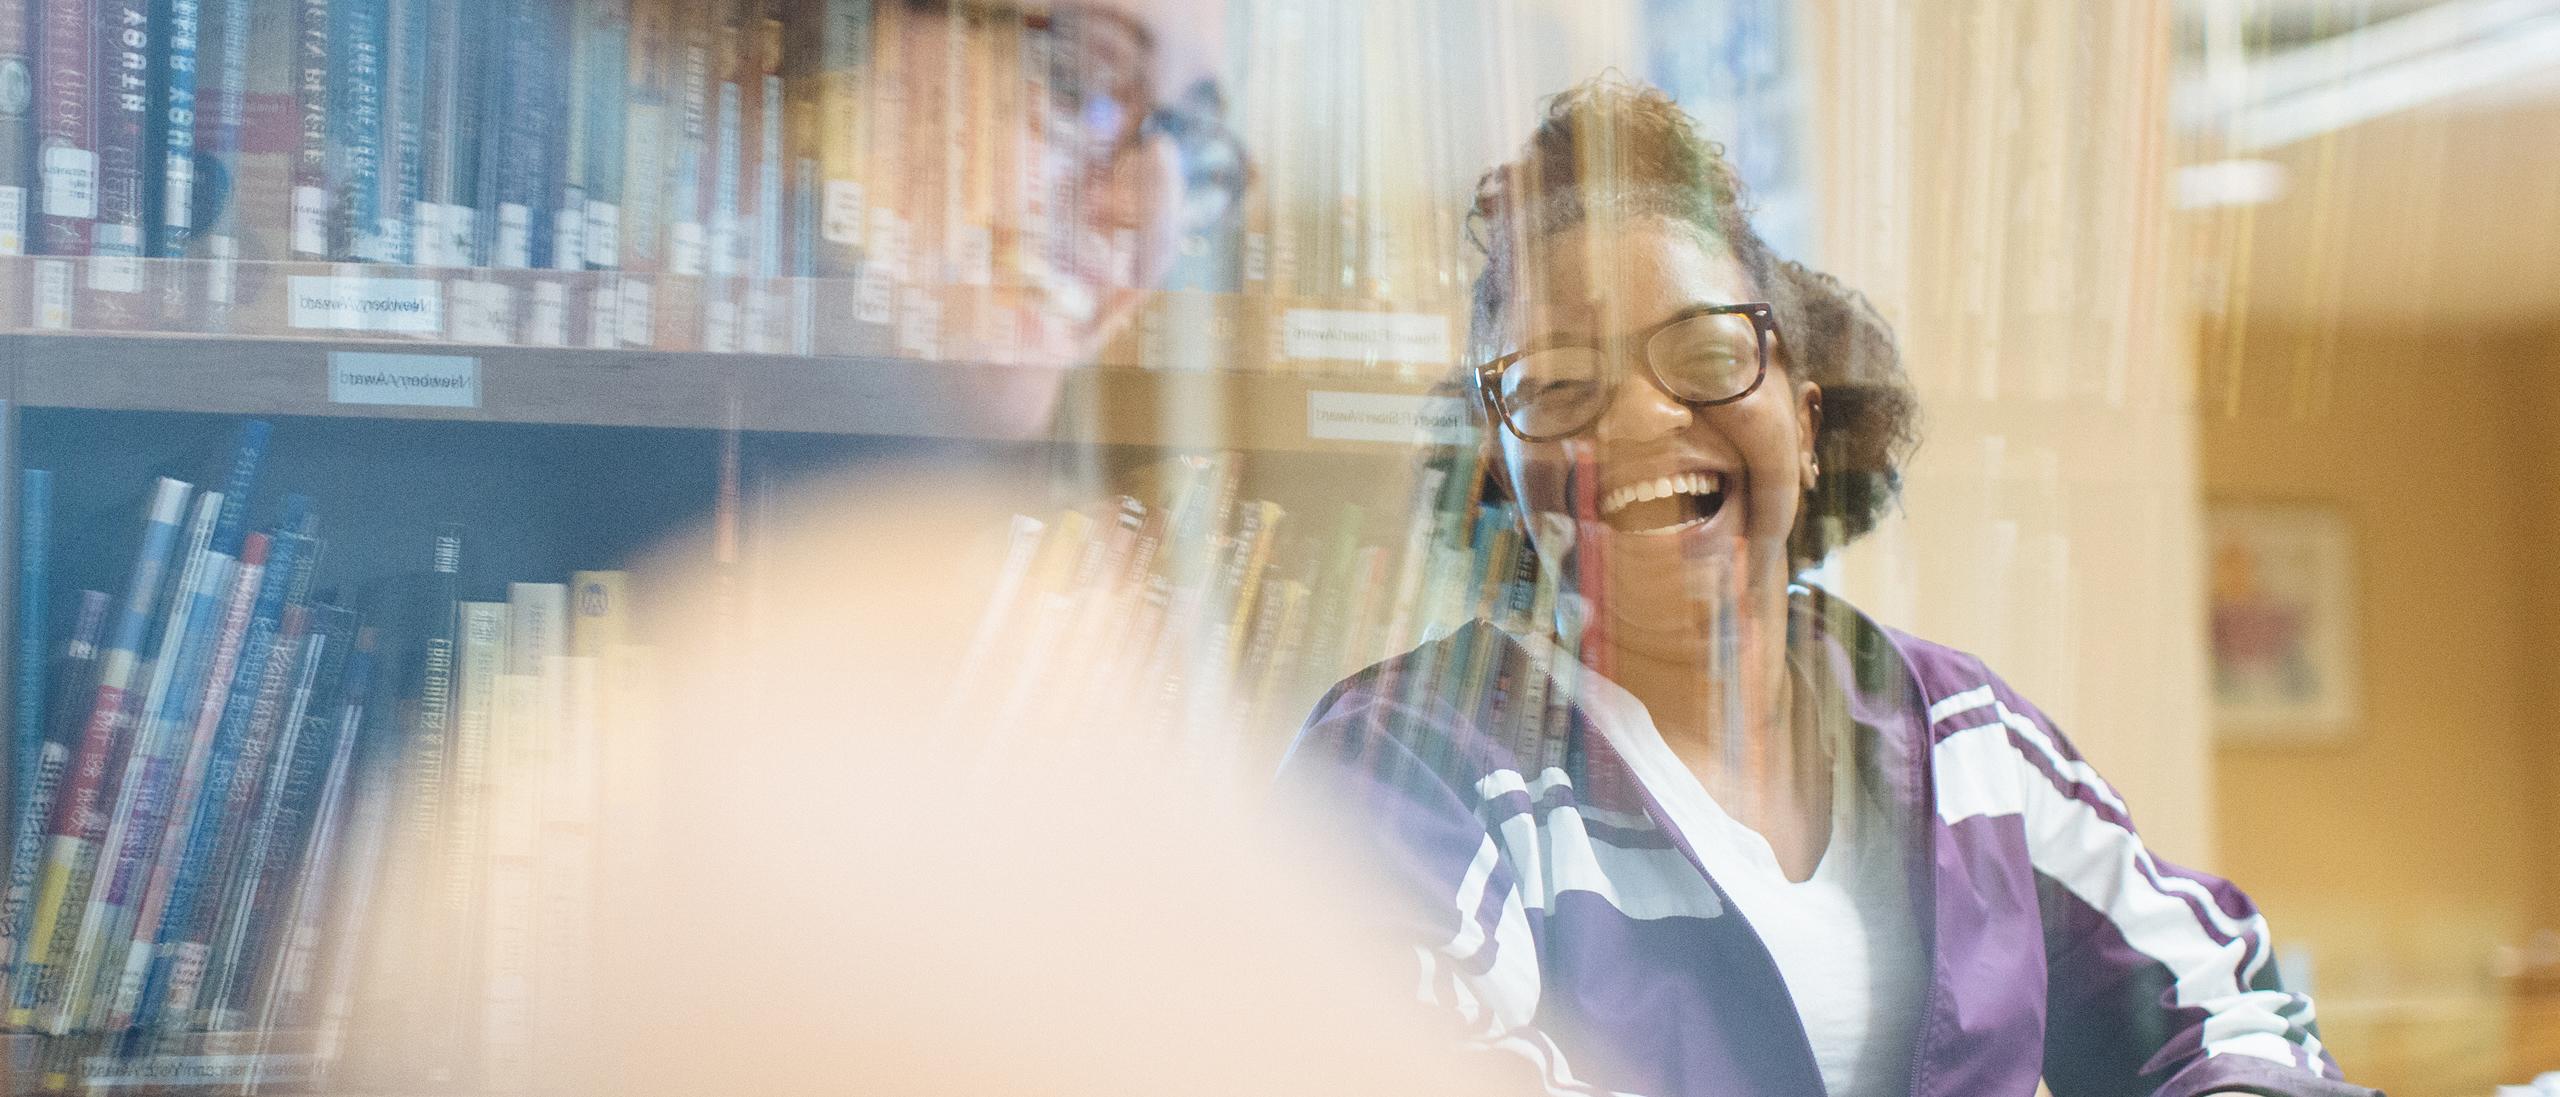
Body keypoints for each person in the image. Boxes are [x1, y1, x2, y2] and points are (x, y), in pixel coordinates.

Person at [1276, 77, 2377, 1097]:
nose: (1641, 418)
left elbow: (2226, 1011)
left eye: (1705, 355)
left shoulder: (1964, 736)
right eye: (1558, 383)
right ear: (1503, 479)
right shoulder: (1410, 757)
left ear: (1803, 426)